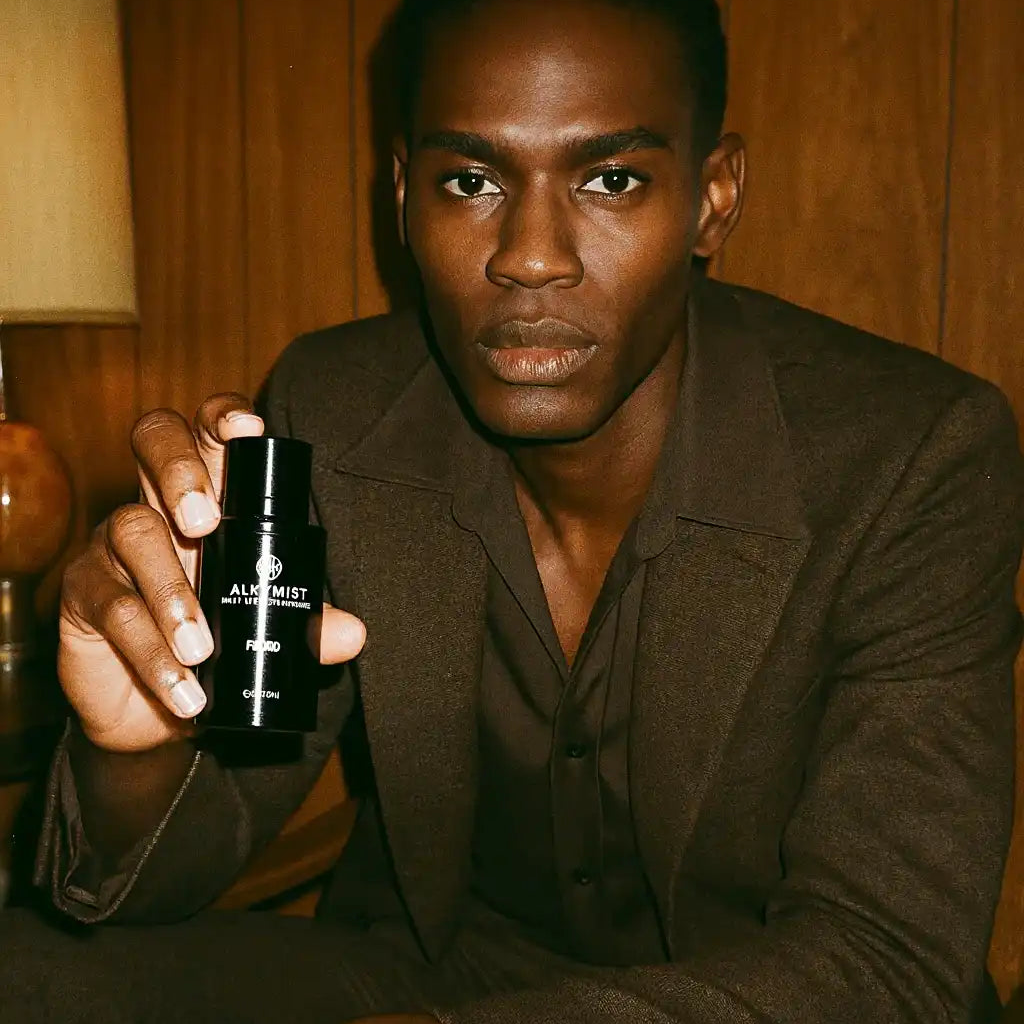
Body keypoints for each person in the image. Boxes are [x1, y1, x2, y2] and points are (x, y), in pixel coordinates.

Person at [1, 0, 1021, 1021]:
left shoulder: (911, 455)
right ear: (404, 196)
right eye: (471, 181)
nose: (530, 257)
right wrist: (138, 744)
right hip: (437, 971)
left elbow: (888, 961)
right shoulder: (337, 411)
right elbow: (174, 859)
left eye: (611, 179)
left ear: (713, 198)